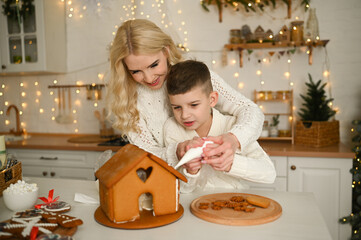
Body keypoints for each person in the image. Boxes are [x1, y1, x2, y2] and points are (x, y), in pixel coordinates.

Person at [106, 19, 265, 169]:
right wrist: (176, 151)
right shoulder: (127, 98)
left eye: (154, 65)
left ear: (166, 51)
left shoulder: (194, 75)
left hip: (218, 173)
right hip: (168, 183)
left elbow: (249, 110)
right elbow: (145, 153)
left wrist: (234, 139)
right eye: (136, 71)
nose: (148, 78)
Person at [163, 60, 276, 192]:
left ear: (212, 100)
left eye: (193, 105)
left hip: (235, 203)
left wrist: (231, 164)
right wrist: (191, 172)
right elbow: (182, 190)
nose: (185, 115)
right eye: (177, 107)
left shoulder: (232, 126)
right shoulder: (171, 129)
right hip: (195, 206)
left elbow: (269, 174)